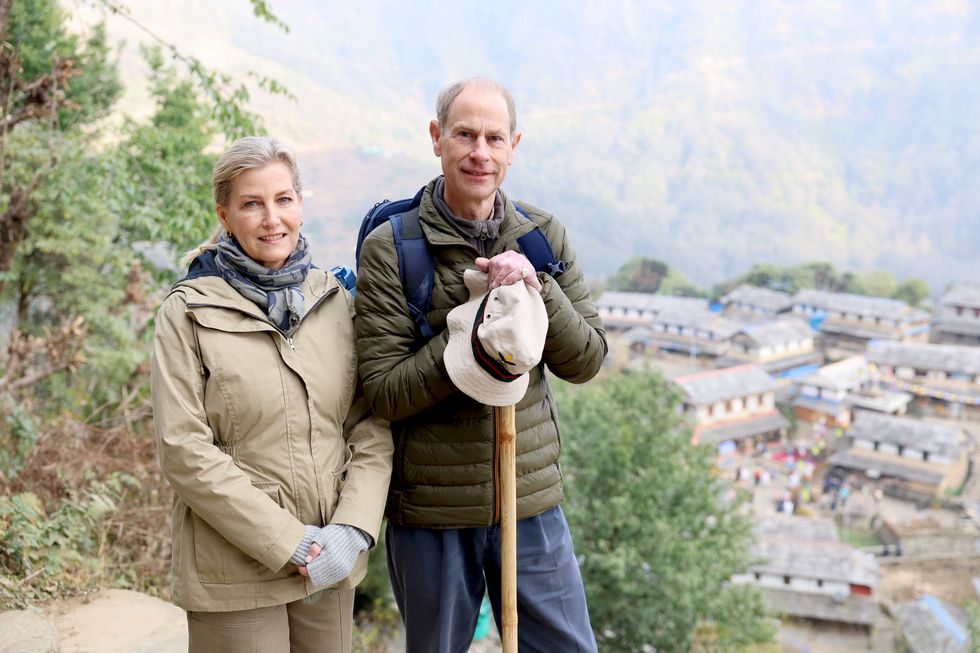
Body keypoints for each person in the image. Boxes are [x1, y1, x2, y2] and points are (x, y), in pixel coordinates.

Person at [355, 78, 607, 652]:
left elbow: (588, 359)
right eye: (465, 134)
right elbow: (383, 391)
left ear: (514, 145)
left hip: (531, 500)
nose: (480, 152)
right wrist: (471, 344)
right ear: (436, 138)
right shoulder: (395, 247)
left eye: (495, 137)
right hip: (432, 511)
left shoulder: (542, 237)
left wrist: (537, 291)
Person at [150, 136, 392, 653]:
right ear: (225, 214)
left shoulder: (333, 301)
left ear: (300, 205)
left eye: (283, 200)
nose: (271, 219)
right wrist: (291, 542)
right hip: (234, 570)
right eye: (252, 204)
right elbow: (184, 450)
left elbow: (369, 425)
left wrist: (352, 530)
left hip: (329, 563)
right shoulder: (188, 312)